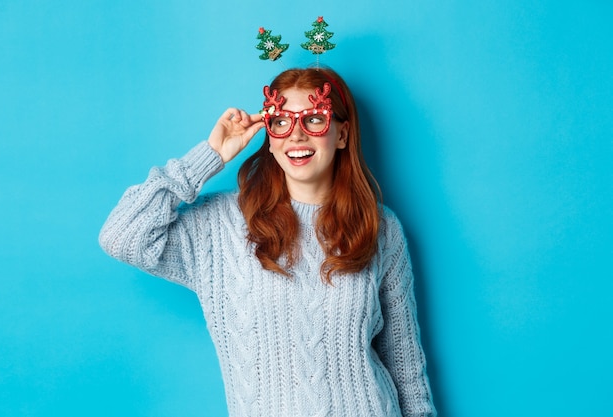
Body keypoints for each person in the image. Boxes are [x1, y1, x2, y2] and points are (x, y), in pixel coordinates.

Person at [99, 67, 436, 417]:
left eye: (314, 120)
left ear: (341, 134)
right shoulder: (220, 227)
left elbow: (404, 363)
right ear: (269, 136)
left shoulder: (380, 227)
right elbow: (122, 236)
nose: (296, 137)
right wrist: (211, 154)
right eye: (281, 123)